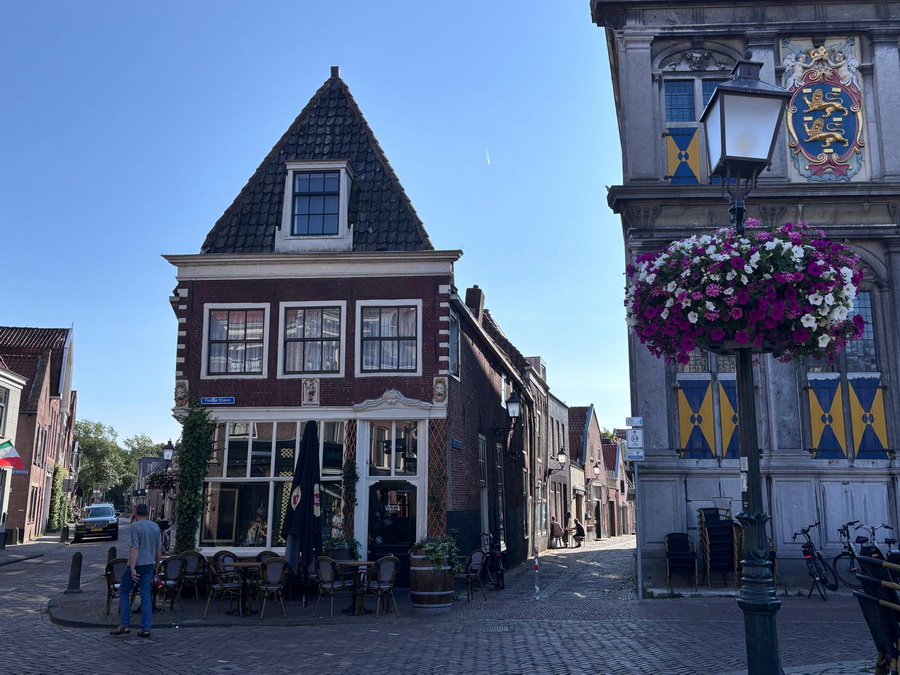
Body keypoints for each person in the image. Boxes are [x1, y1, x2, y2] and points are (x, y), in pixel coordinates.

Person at [110, 503, 161, 639]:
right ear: (147, 513)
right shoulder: (155, 527)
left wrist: (132, 568)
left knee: (124, 590)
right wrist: (156, 565)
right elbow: (158, 549)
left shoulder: (135, 527)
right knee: (145, 594)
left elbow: (135, 548)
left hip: (137, 564)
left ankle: (124, 624)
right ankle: (145, 628)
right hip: (149, 564)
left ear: (135, 513)